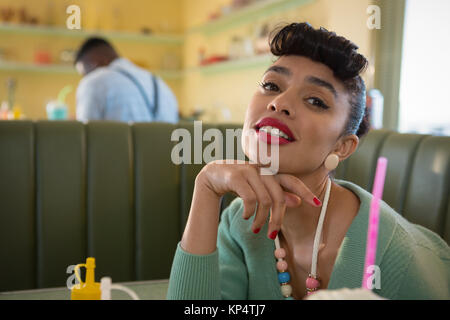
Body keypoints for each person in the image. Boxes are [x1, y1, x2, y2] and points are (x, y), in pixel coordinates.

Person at [166, 22, 450, 300]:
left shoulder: (395, 255)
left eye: (315, 101)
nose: (279, 102)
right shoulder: (241, 222)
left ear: (342, 146)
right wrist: (206, 188)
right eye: (271, 85)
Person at [74, 37, 179, 123]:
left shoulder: (92, 82)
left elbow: (85, 135)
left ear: (94, 61)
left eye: (84, 72)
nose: (85, 76)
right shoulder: (160, 83)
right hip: (164, 148)